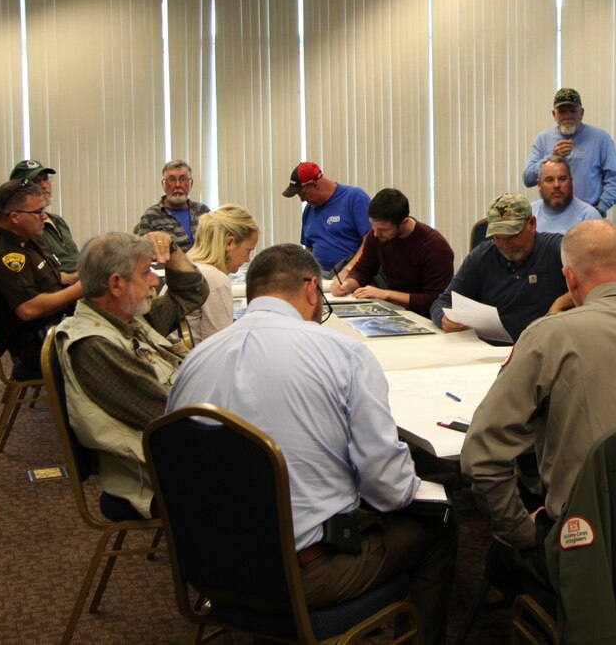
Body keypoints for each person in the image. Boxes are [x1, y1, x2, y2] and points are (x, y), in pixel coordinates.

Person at [167, 244, 457, 645]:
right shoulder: (343, 354)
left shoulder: (195, 361)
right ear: (310, 288)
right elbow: (387, 489)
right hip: (302, 578)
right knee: (438, 527)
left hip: (206, 570)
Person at [460, 220, 616, 584]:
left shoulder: (548, 337)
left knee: (500, 558)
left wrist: (520, 531)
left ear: (569, 279)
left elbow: (480, 458)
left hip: (592, 552)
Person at [55, 231, 207, 519]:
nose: (155, 280)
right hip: (162, 474)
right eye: (146, 272)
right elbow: (170, 416)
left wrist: (171, 249)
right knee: (282, 465)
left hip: (180, 448)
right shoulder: (95, 345)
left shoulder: (127, 318)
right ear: (115, 284)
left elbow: (192, 292)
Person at [429, 194, 570, 344]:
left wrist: (560, 302)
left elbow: (595, 285)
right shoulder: (482, 256)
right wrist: (445, 319)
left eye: (513, 236)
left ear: (532, 224)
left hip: (545, 349)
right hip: (492, 353)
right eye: (498, 238)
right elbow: (442, 302)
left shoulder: (558, 249)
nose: (506, 245)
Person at [0, 179, 83, 375]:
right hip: (39, 343)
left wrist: (87, 275)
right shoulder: (6, 256)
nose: (44, 216)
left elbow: (54, 278)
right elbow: (29, 309)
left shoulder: (28, 240)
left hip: (57, 324)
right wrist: (78, 291)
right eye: (38, 212)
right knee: (108, 346)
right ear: (15, 217)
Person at [329, 188, 453, 316]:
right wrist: (347, 284)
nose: (376, 233)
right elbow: (363, 270)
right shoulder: (376, 235)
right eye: (373, 226)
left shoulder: (435, 247)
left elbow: (435, 301)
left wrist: (386, 294)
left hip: (425, 316)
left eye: (383, 229)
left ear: (403, 222)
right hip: (394, 309)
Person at [522, 88, 616, 215]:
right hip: (553, 215)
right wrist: (551, 157)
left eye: (573, 111)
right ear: (554, 114)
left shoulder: (601, 138)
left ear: (582, 112)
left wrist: (600, 209)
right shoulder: (542, 139)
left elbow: (615, 180)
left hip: (589, 214)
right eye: (562, 112)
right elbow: (527, 178)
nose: (568, 116)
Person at [184, 204, 259, 342]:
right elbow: (221, 348)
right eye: (248, 250)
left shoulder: (190, 268)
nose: (248, 259)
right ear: (229, 243)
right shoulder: (214, 280)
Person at [281, 161, 371, 273]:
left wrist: (349, 269)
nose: (302, 200)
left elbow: (370, 241)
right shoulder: (308, 210)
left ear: (315, 184)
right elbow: (309, 251)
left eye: (302, 194)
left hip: (352, 274)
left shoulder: (354, 198)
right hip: (320, 276)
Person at [9, 159, 80, 273]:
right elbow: (44, 275)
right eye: (36, 181)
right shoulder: (26, 228)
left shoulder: (58, 220)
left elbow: (75, 259)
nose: (44, 186)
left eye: (46, 179)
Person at [137, 160, 211, 251]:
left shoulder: (203, 211)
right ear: (163, 184)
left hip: (204, 264)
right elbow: (141, 252)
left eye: (183, 179)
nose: (178, 185)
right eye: (171, 180)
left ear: (191, 183)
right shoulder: (151, 216)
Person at [529, 155, 602, 234]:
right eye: (549, 180)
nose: (556, 185)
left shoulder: (589, 217)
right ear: (539, 184)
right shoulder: (530, 213)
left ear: (571, 181)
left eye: (562, 179)